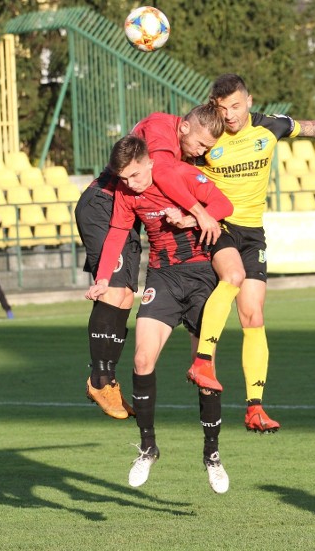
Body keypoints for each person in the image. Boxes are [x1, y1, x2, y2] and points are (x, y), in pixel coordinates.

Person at [187, 73, 315, 432]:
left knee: (253, 315)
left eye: (236, 107)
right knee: (232, 278)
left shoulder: (271, 127)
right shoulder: (209, 134)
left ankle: (254, 407)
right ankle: (203, 360)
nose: (230, 116)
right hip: (219, 225)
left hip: (253, 232)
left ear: (249, 101)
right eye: (223, 109)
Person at [86, 134, 233, 494]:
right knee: (141, 360)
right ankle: (148, 447)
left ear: (150, 162)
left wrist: (188, 216)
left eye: (135, 176)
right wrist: (104, 278)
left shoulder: (180, 174)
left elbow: (223, 205)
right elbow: (119, 232)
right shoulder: (126, 193)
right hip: (163, 278)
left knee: (205, 367)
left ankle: (212, 455)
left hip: (201, 275)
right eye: (124, 179)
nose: (131, 184)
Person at [76, 104, 225, 419]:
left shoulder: (178, 147)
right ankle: (100, 379)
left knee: (126, 295)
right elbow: (164, 174)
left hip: (121, 211)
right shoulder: (160, 131)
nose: (201, 152)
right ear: (184, 126)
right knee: (114, 292)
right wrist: (198, 214)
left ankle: (106, 380)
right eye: (200, 144)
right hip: (104, 203)